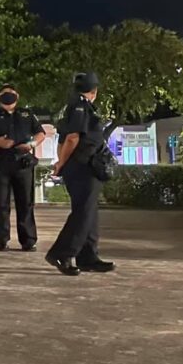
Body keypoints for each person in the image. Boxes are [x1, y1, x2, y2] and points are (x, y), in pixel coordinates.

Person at [47, 71, 115, 276]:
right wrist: (61, 163)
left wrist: (62, 161)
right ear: (94, 91)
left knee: (90, 212)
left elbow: (63, 138)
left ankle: (88, 257)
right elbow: (72, 138)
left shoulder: (78, 106)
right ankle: (61, 253)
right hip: (81, 166)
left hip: (87, 166)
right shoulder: (79, 107)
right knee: (83, 213)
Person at [0, 83, 45, 251]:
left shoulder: (27, 114)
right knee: (0, 204)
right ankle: (2, 240)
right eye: (4, 94)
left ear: (17, 96)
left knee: (26, 203)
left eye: (11, 93)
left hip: (23, 162)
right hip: (1, 163)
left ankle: (28, 241)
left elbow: (40, 133)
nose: (8, 97)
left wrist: (32, 144)